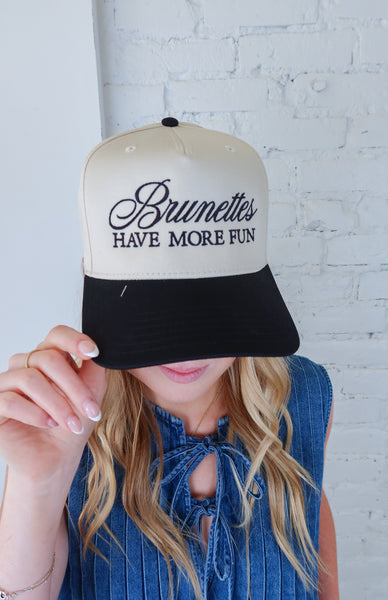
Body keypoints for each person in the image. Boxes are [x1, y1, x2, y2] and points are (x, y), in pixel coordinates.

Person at [0, 119, 339, 599]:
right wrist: (39, 481)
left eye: (216, 314)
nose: (189, 349)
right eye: (155, 316)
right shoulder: (62, 426)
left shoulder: (303, 398)